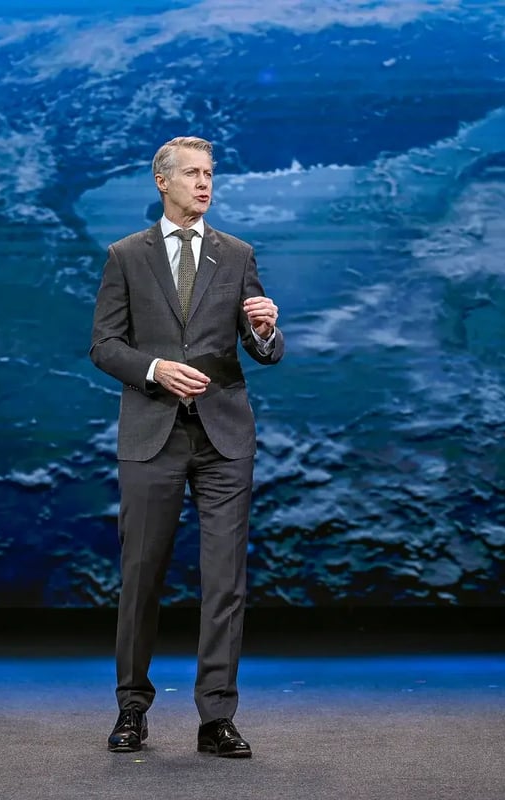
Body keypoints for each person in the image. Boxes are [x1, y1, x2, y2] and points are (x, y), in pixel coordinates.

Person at [89, 135, 284, 758]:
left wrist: (265, 329)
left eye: (210, 174)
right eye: (193, 174)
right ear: (161, 183)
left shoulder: (238, 253)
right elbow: (104, 345)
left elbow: (263, 349)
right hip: (153, 436)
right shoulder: (125, 255)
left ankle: (216, 719)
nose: (205, 184)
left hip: (225, 436)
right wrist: (154, 370)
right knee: (141, 576)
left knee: (225, 581)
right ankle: (131, 710)